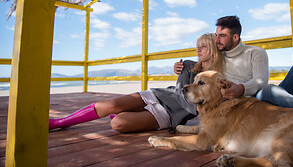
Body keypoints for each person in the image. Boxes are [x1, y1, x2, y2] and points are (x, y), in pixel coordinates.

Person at [175, 15, 293, 142]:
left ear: (235, 36)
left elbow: (260, 82)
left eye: (222, 36)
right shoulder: (219, 55)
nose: (217, 40)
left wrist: (240, 88)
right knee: (269, 90)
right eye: (216, 36)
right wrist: (181, 66)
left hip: (260, 95)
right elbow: (201, 61)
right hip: (245, 107)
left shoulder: (256, 53)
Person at [49, 33, 223, 132]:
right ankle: (61, 122)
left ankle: (125, 112)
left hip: (169, 115)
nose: (198, 49)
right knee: (108, 104)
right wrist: (199, 108)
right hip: (159, 95)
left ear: (213, 49)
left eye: (203, 46)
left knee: (117, 123)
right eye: (197, 46)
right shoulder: (188, 65)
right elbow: (180, 93)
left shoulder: (217, 77)